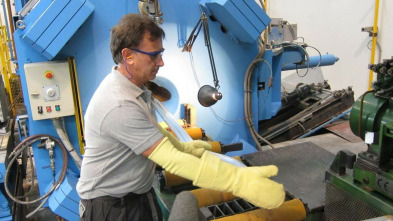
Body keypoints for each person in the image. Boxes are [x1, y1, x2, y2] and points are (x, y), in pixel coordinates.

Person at [77, 13, 285, 221]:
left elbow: (152, 131)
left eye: (161, 53)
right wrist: (238, 181)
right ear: (128, 56)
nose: (161, 62)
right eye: (154, 55)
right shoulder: (118, 104)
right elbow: (174, 162)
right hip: (111, 208)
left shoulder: (135, 90)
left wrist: (183, 147)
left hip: (137, 195)